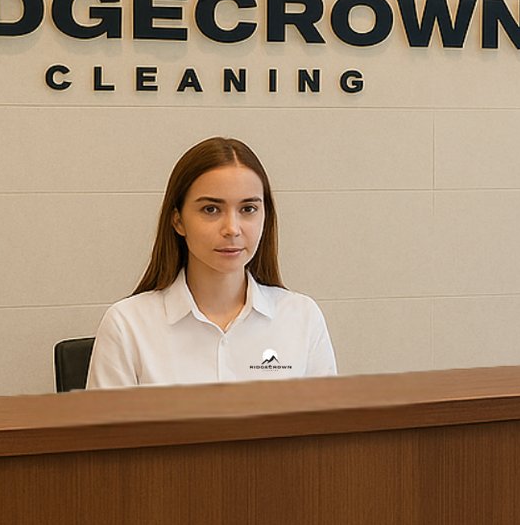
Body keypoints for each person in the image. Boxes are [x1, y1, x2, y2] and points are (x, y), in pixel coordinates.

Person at [86, 136, 336, 388]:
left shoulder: (302, 317)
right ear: (178, 221)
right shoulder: (126, 325)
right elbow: (106, 428)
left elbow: (327, 425)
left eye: (248, 209)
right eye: (211, 210)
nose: (232, 229)